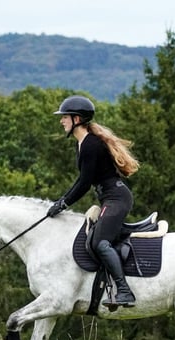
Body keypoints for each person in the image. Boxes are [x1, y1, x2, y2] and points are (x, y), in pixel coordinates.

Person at [47, 95, 140, 307]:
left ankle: (125, 292)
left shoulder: (90, 144)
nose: (61, 121)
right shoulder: (82, 144)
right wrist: (61, 200)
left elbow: (84, 184)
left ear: (77, 119)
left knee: (99, 242)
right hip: (109, 197)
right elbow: (81, 180)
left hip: (116, 198)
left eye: (65, 117)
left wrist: (63, 204)